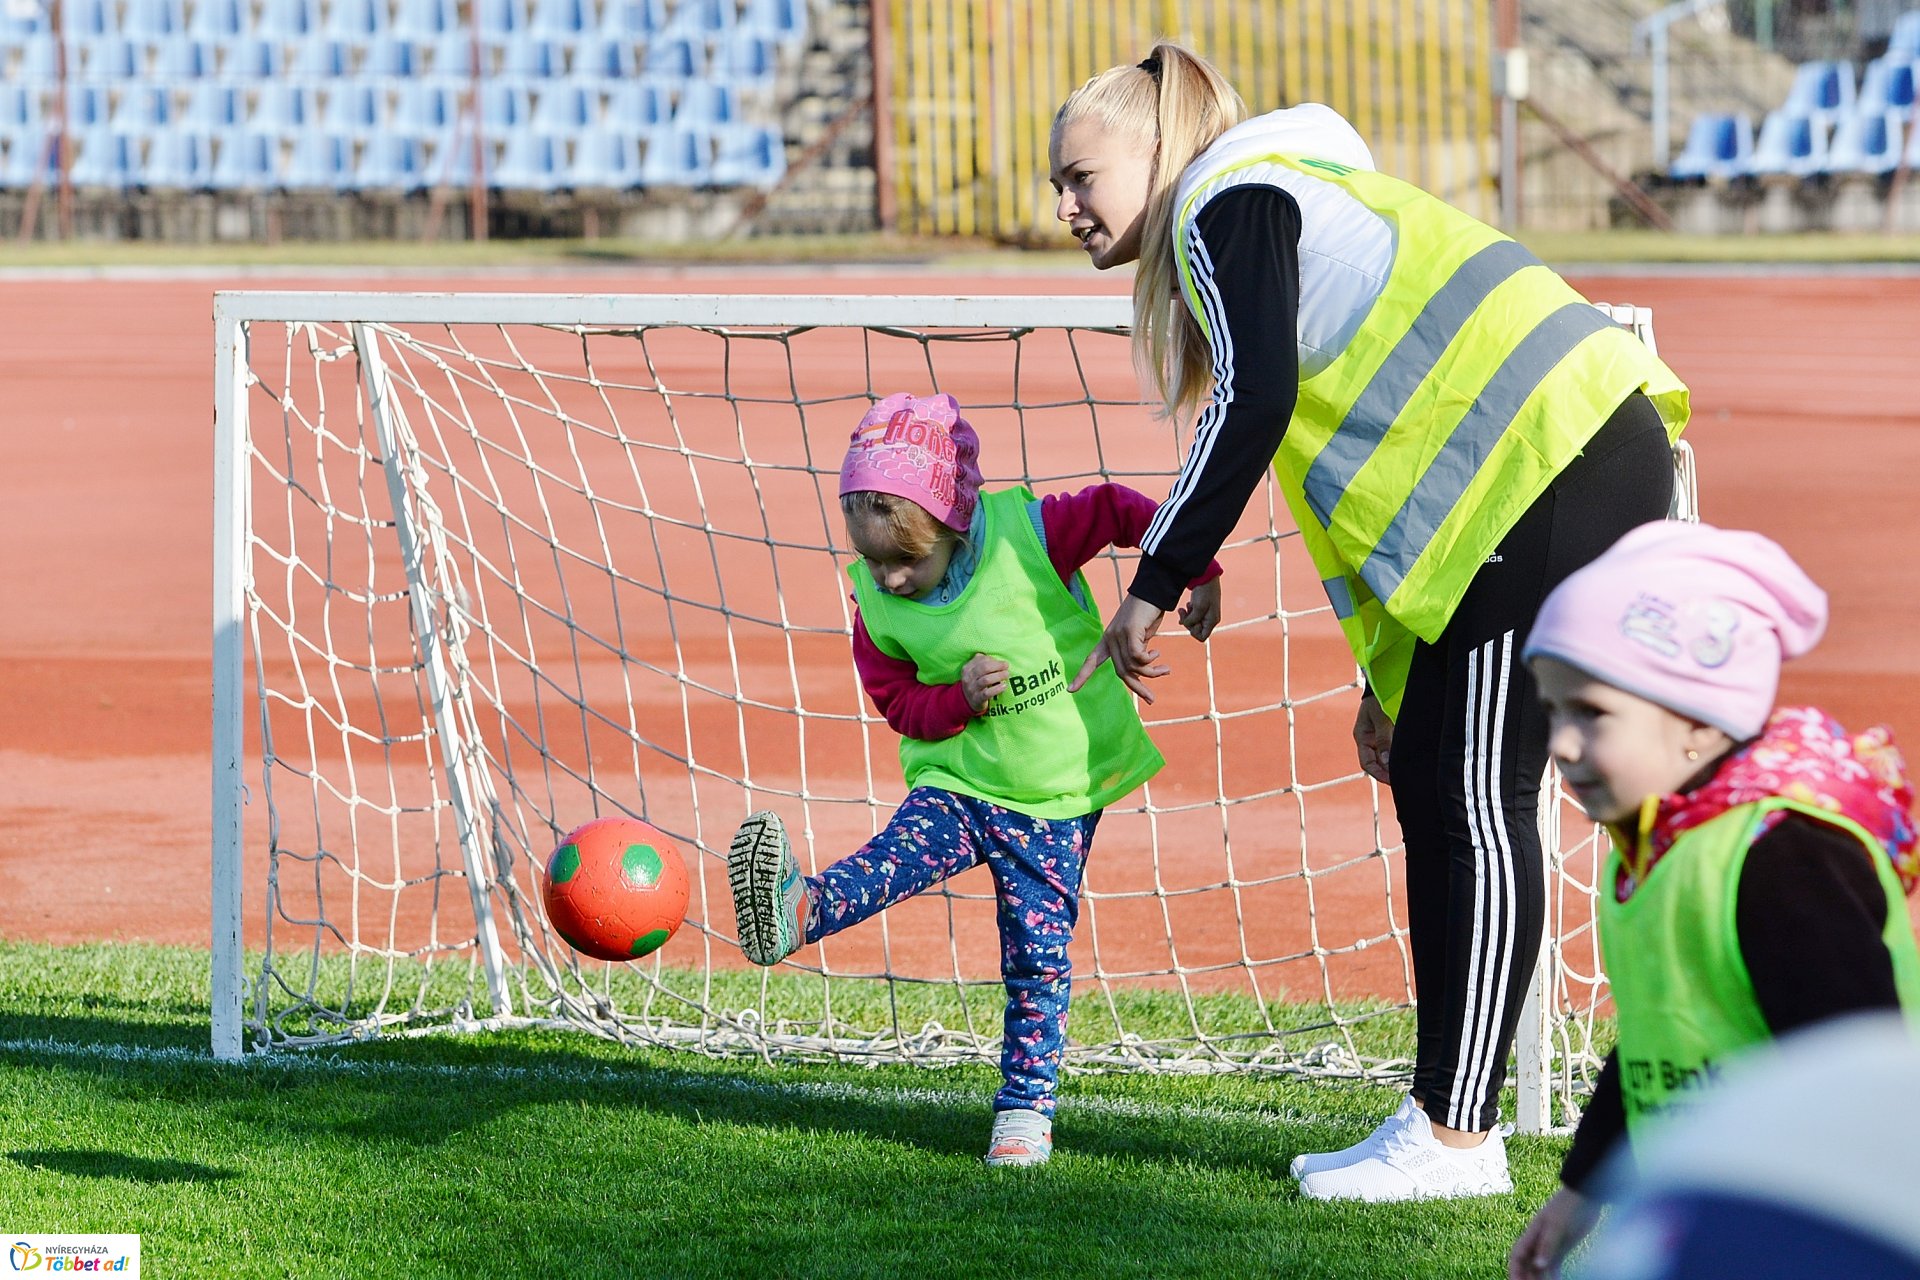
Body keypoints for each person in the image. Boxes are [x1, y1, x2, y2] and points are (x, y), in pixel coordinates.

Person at [1047, 42, 1692, 1199]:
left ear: (1158, 152)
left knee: (1476, 797)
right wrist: (1388, 682)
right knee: (1439, 786)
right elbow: (1390, 474)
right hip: (1525, 477)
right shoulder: (1273, 196)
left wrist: (1154, 577)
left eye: (1081, 178)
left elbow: (1254, 400)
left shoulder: (1227, 198)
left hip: (1552, 462)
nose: (1064, 207)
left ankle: (1457, 1139)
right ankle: (1440, 1118)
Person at [726, 391, 1224, 1167]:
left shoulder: (1030, 533)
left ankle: (1024, 1114)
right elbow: (898, 704)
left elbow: (1122, 510)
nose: (889, 578)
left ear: (954, 526)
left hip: (1056, 796)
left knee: (1037, 957)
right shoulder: (874, 608)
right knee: (892, 860)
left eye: (905, 560)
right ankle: (802, 909)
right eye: (873, 560)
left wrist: (1199, 568)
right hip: (956, 784)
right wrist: (956, 699)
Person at [1507, 520, 1920, 1278]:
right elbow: (1656, 1043)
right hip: (1715, 1214)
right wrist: (1580, 1190)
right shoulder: (1655, 849)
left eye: (1591, 712)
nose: (1560, 743)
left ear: (1698, 720)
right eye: (1553, 710)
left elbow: (1858, 1072)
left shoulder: (1782, 859)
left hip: (1810, 1225)